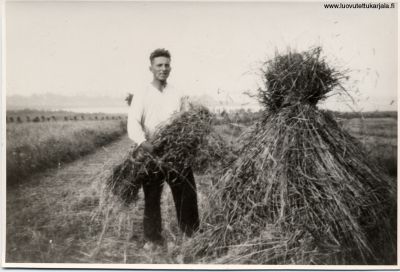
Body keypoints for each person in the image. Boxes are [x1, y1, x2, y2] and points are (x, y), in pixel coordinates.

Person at [127, 48, 200, 247]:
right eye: (159, 65)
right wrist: (144, 144)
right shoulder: (142, 93)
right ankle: (153, 239)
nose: (163, 68)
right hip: (152, 152)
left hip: (176, 151)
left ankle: (191, 236)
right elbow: (133, 123)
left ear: (171, 67)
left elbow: (186, 118)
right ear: (150, 68)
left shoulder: (177, 92)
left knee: (186, 193)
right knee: (151, 197)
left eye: (167, 65)